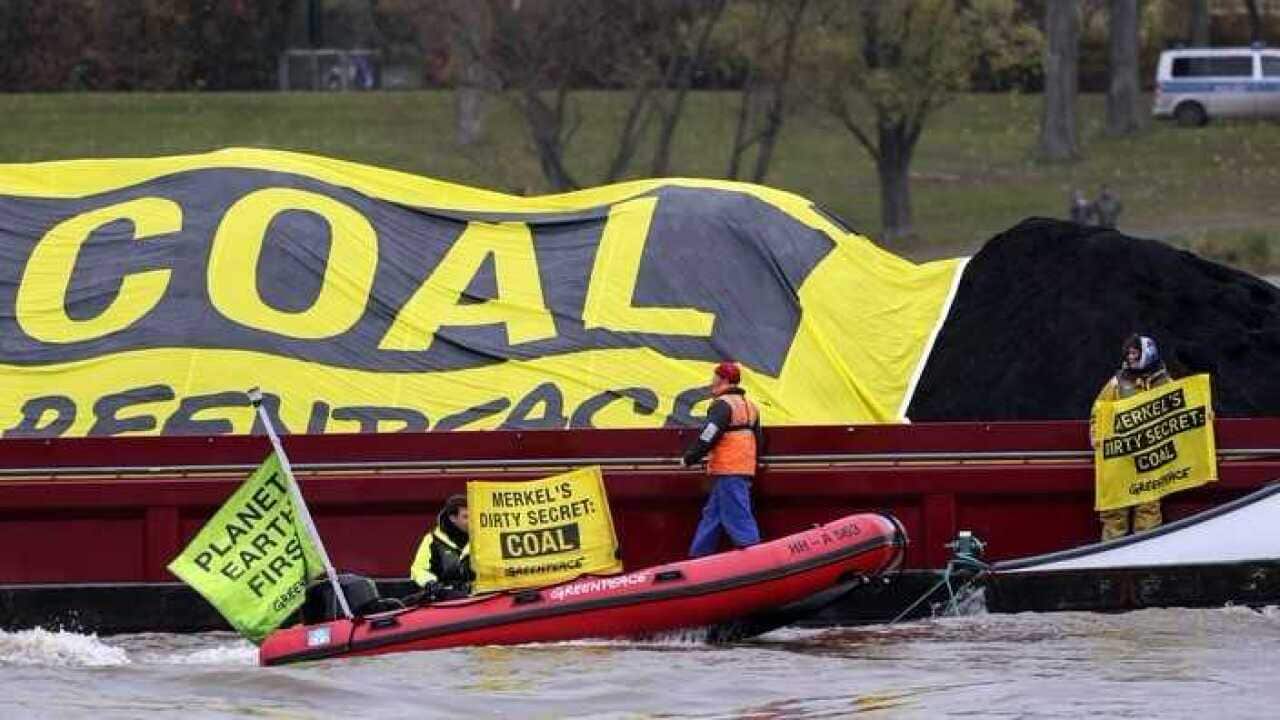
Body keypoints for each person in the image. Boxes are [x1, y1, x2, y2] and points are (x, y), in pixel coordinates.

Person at [1089, 335, 1172, 541]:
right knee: (1114, 511)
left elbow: (1185, 405)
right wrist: (1096, 434)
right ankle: (1112, 557)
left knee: (1149, 509)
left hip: (1150, 456)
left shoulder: (1164, 382)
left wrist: (1206, 416)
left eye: (1135, 353)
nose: (1131, 358)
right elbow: (1098, 412)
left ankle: (1146, 555)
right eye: (1129, 354)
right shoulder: (1117, 383)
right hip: (1121, 457)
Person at [682, 361, 764, 557]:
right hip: (742, 468)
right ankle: (698, 555)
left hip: (729, 469)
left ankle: (756, 558)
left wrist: (690, 458)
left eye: (714, 378)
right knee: (713, 515)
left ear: (724, 380)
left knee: (738, 515)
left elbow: (709, 435)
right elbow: (758, 439)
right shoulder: (751, 407)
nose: (711, 382)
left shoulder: (722, 405)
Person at [408, 494, 475, 601]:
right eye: (466, 517)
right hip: (445, 599)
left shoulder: (481, 538)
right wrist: (432, 584)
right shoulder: (432, 540)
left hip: (478, 598)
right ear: (453, 518)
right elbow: (418, 569)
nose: (471, 521)